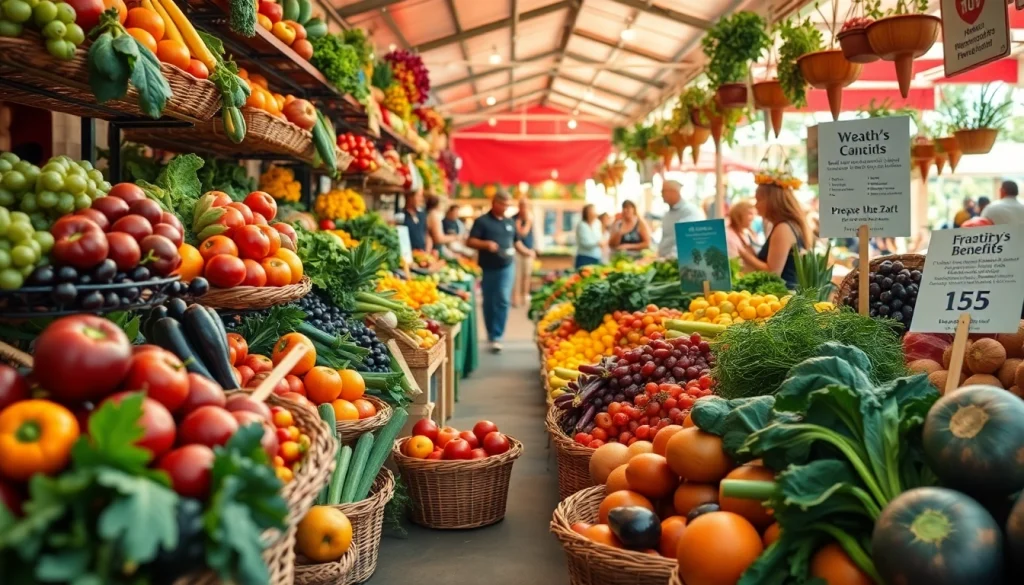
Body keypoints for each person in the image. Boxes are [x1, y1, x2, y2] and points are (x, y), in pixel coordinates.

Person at [467, 192, 534, 353]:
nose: (506, 208)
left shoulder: (510, 222)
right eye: (503, 204)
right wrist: (486, 244)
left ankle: (498, 335)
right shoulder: (482, 221)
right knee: (489, 301)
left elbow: (516, 242)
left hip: (507, 265)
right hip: (488, 267)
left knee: (503, 298)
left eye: (508, 205)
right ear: (494, 203)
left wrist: (527, 252)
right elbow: (470, 241)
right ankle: (491, 332)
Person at [744, 181, 812, 288]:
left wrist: (745, 255)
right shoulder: (789, 225)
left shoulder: (783, 228)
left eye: (759, 200)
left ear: (772, 201)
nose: (756, 205)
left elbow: (773, 273)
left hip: (783, 296)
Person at [657, 180, 705, 258]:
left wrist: (670, 258)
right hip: (664, 261)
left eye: (663, 191)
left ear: (673, 192)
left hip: (679, 261)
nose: (661, 194)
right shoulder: (667, 214)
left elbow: (687, 239)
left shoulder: (689, 211)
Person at [512, 199, 535, 307]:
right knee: (517, 276)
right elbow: (522, 234)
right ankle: (515, 298)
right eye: (522, 205)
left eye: (525, 205)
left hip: (528, 251)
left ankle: (524, 296)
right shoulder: (514, 219)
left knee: (527, 275)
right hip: (517, 251)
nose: (524, 208)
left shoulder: (530, 218)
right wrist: (519, 224)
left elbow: (530, 234)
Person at [725, 200, 759, 271]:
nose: (753, 218)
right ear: (739, 215)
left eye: (754, 214)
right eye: (750, 214)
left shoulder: (748, 232)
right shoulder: (729, 235)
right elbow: (734, 264)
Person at [575, 204, 603, 269]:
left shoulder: (597, 223)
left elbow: (600, 237)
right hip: (584, 257)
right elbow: (586, 243)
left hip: (596, 256)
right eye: (591, 211)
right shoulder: (582, 225)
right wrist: (598, 243)